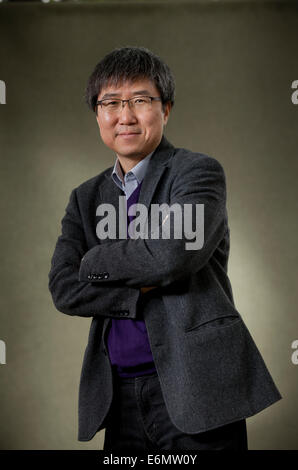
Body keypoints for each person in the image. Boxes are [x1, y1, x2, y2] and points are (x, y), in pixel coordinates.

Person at [48, 46, 282, 451]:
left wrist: (94, 259)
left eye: (140, 100)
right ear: (98, 114)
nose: (126, 115)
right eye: (111, 103)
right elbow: (64, 288)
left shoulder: (196, 172)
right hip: (117, 394)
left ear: (166, 109)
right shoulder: (85, 198)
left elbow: (172, 254)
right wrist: (137, 287)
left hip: (197, 387)